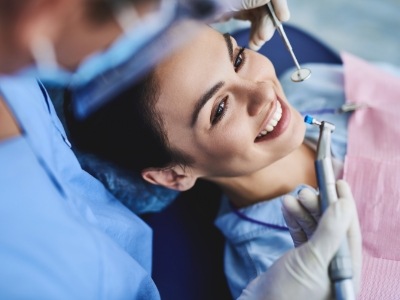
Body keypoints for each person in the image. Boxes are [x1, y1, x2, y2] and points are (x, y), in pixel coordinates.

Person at [0, 0, 361, 299]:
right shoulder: (272, 264)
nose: (264, 93)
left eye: (237, 58)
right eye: (219, 110)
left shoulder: (328, 89)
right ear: (173, 174)